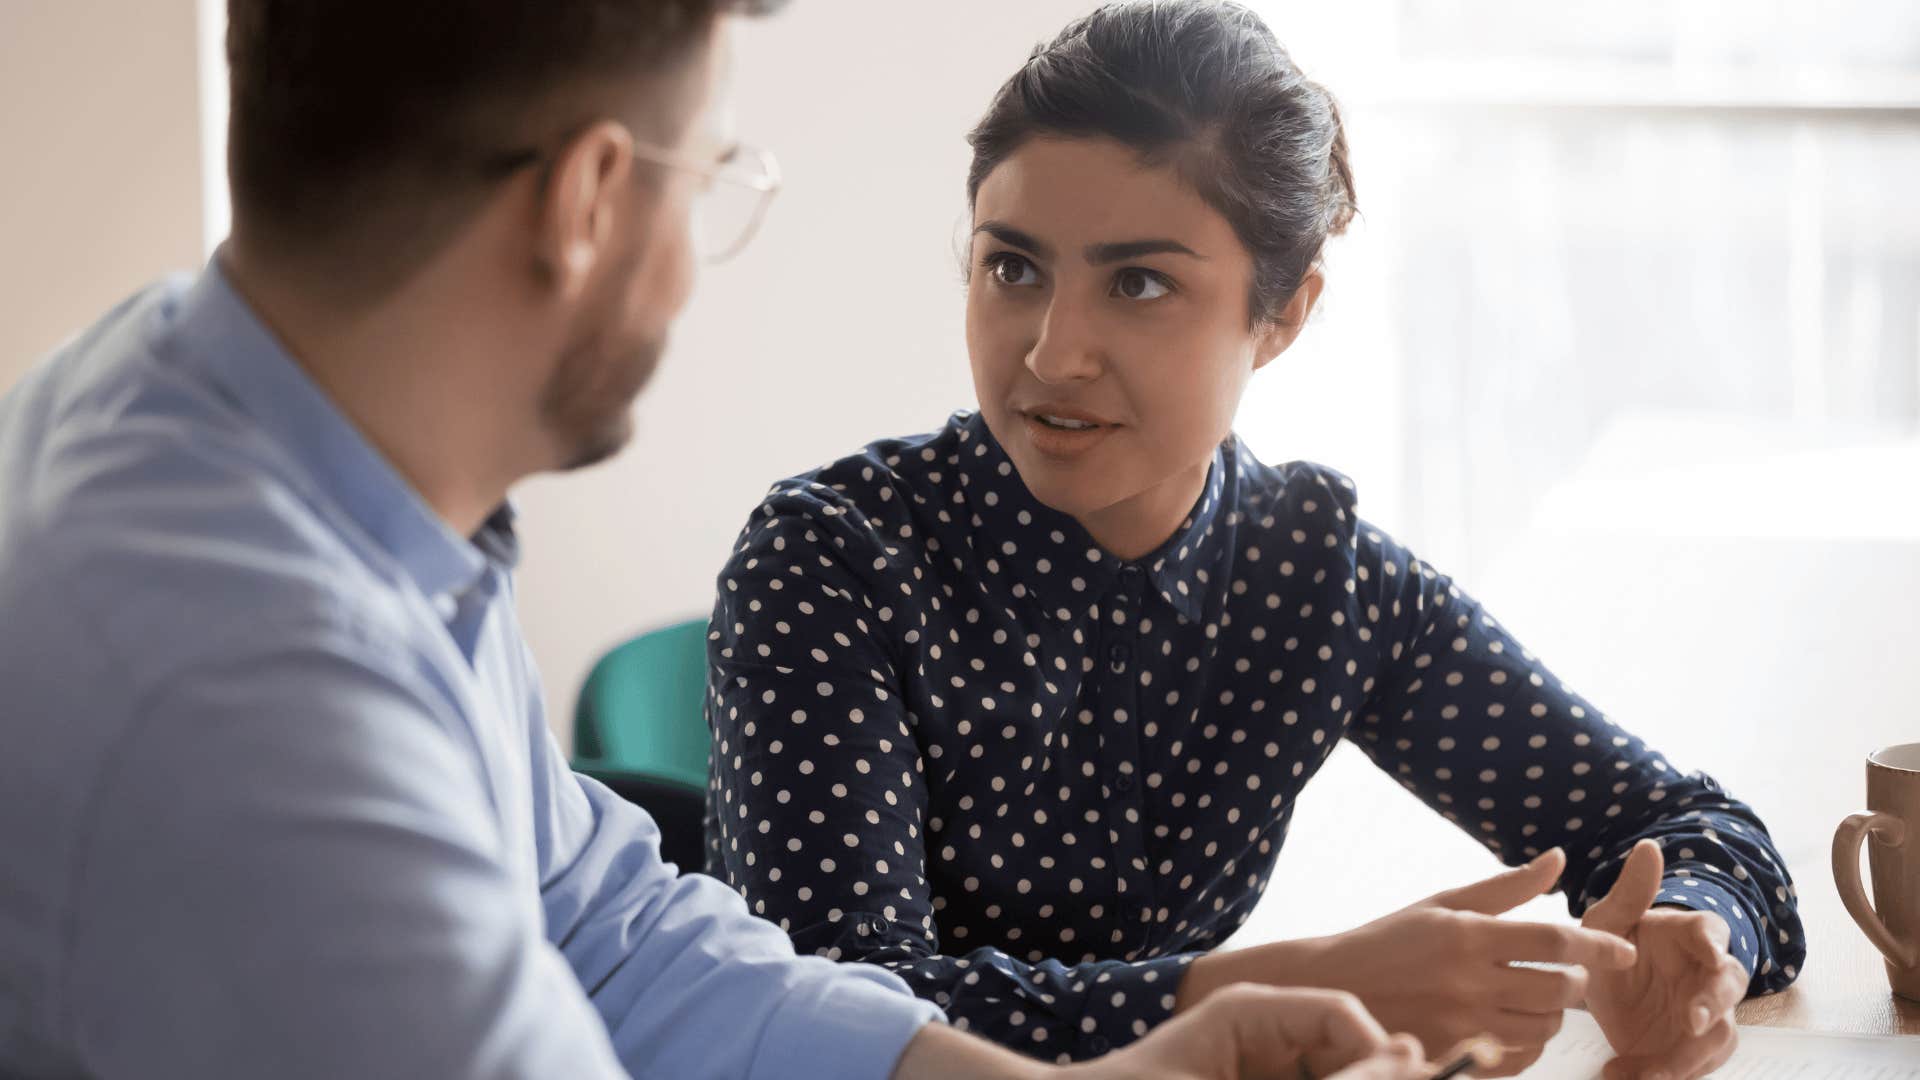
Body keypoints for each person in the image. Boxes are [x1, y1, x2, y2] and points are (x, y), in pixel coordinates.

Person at [0, 2, 1437, 1078]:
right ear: (590, 200)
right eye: (714, 176)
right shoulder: (250, 711)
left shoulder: (259, 437)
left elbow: (610, 927)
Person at [704, 2, 1807, 1077]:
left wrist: (1692, 941)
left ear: (1281, 314)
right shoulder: (830, 563)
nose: (1052, 352)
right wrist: (1301, 991)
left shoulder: (1314, 582)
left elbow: (1686, 824)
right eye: (1014, 268)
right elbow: (826, 1015)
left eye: (1138, 283)